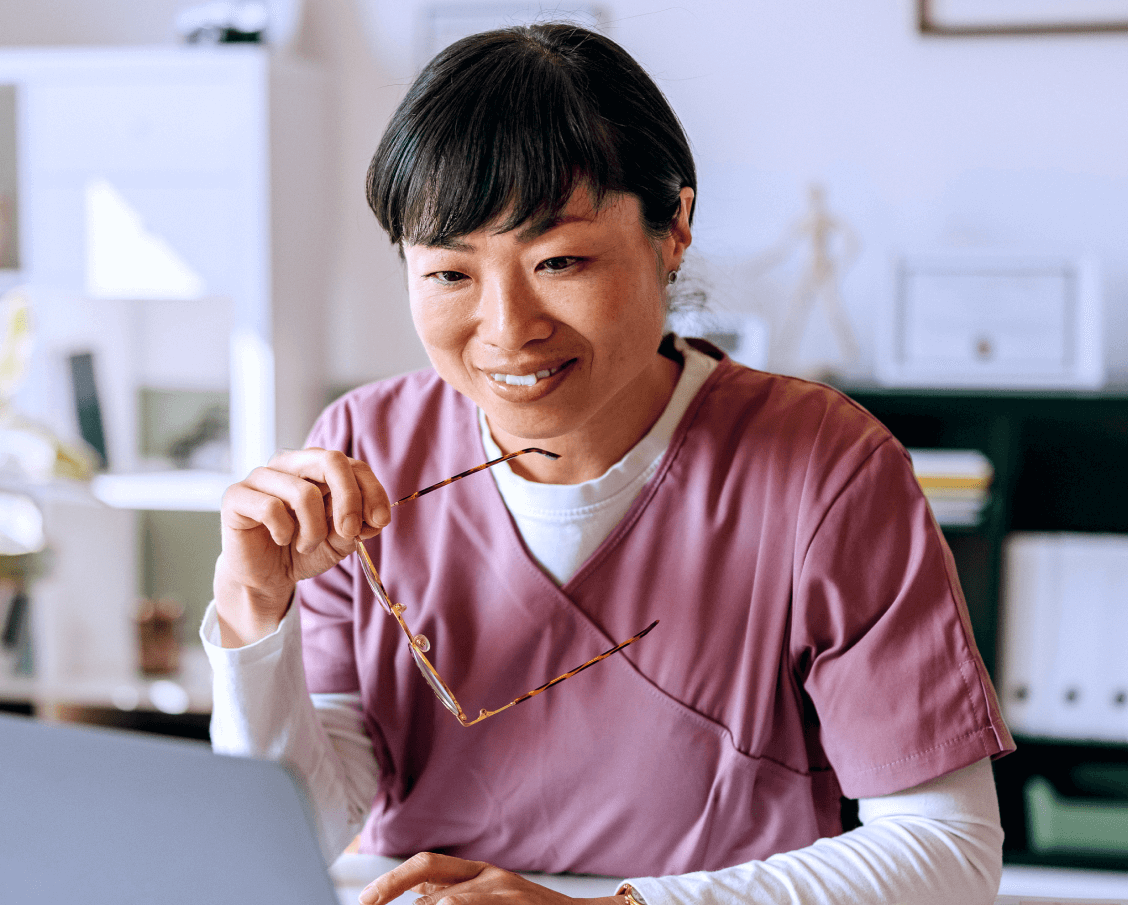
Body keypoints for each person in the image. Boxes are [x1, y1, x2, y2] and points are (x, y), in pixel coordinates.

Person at [203, 23, 1014, 905]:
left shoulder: (824, 468)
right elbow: (302, 829)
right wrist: (255, 608)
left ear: (675, 228)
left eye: (562, 260)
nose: (508, 328)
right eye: (449, 275)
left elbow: (948, 851)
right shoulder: (367, 450)